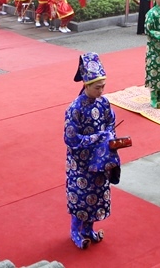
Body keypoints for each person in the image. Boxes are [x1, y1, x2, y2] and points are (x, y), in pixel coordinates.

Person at [64, 52, 120, 249]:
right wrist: (98, 137)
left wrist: (110, 137)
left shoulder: (104, 103)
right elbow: (70, 139)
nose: (101, 91)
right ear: (86, 85)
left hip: (99, 160)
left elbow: (110, 124)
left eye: (103, 86)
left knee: (97, 196)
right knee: (80, 197)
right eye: (97, 87)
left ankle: (88, 230)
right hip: (80, 162)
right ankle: (75, 232)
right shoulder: (75, 108)